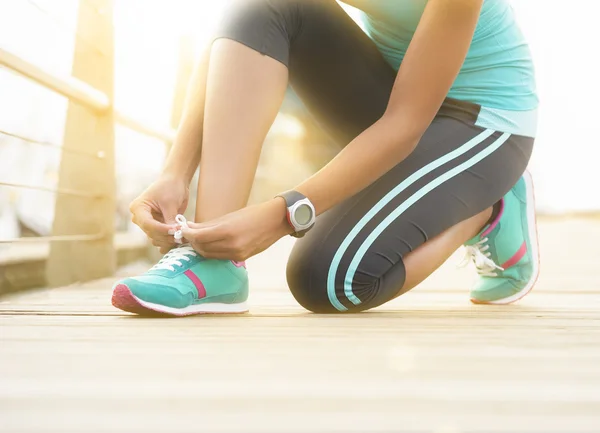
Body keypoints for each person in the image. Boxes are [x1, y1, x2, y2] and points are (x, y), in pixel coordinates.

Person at [111, 0, 539, 316]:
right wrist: (176, 171)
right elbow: (239, 36)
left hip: (483, 124)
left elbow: (405, 126)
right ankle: (213, 263)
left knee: (331, 282)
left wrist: (282, 215)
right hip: (396, 96)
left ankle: (485, 205)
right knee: (264, 8)